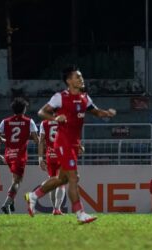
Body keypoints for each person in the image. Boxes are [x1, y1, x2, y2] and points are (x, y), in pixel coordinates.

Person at [25, 66, 116, 224]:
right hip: (63, 142)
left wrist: (106, 113)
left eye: (81, 77)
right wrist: (55, 118)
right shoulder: (60, 97)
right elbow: (41, 112)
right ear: (68, 80)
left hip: (74, 143)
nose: (81, 79)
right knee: (73, 178)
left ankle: (34, 195)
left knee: (62, 179)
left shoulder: (85, 98)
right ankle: (80, 213)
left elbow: (95, 112)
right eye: (77, 77)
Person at [0, 98, 39, 214]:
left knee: (14, 178)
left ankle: (11, 201)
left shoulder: (5, 121)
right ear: (24, 109)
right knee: (18, 181)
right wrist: (25, 138)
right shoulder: (29, 121)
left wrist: (5, 140)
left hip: (8, 154)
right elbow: (36, 139)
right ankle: (7, 203)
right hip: (20, 155)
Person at [38, 119, 66, 215]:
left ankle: (54, 209)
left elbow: (41, 141)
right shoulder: (64, 120)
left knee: (53, 182)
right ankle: (57, 209)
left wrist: (40, 159)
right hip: (62, 154)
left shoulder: (44, 123)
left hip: (50, 155)